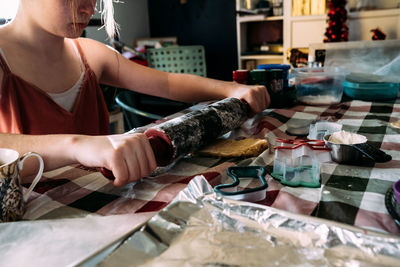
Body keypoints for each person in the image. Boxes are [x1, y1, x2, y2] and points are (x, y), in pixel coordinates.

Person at [0, 0, 270, 187]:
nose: (88, 6)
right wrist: (78, 146)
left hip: (102, 203)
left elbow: (167, 83)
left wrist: (231, 89)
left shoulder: (88, 54)